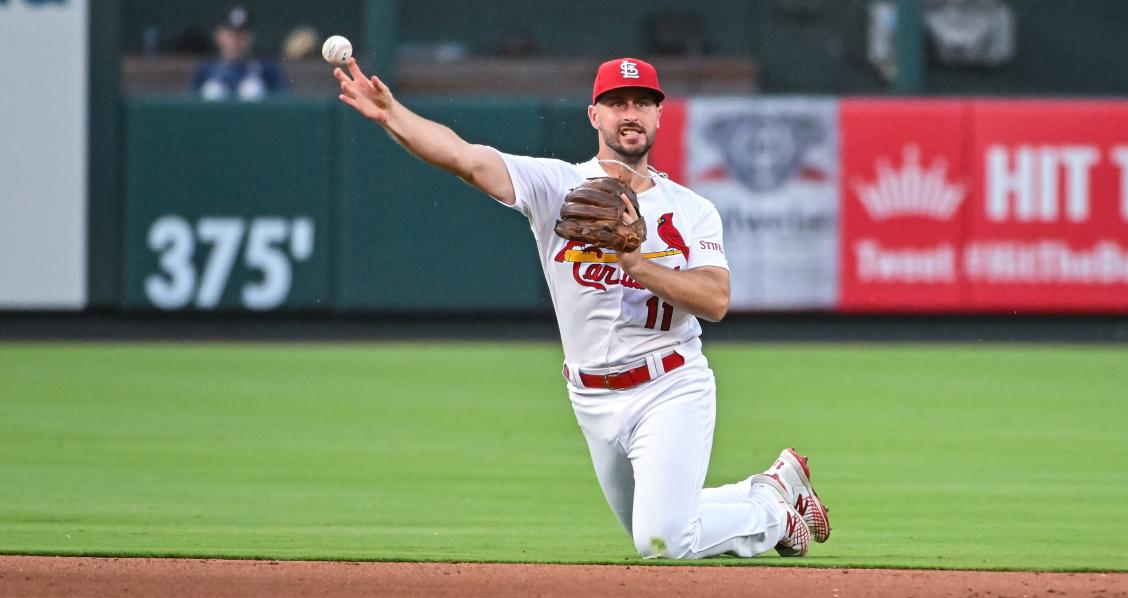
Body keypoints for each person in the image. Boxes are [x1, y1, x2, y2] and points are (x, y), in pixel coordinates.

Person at [333, 56, 832, 559]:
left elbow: (715, 301)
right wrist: (393, 114)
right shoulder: (556, 186)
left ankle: (772, 514)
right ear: (595, 115)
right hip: (590, 396)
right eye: (617, 103)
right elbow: (464, 157)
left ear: (660, 115)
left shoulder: (692, 209)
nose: (630, 113)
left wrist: (636, 263)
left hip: (669, 386)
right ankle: (771, 486)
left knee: (661, 540)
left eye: (642, 103)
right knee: (659, 522)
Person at [193, 6, 287, 101]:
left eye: (242, 35)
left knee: (252, 90)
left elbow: (282, 103)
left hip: (254, 116)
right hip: (214, 115)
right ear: (219, 35)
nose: (236, 41)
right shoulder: (206, 70)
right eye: (231, 34)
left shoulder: (267, 70)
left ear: (252, 36)